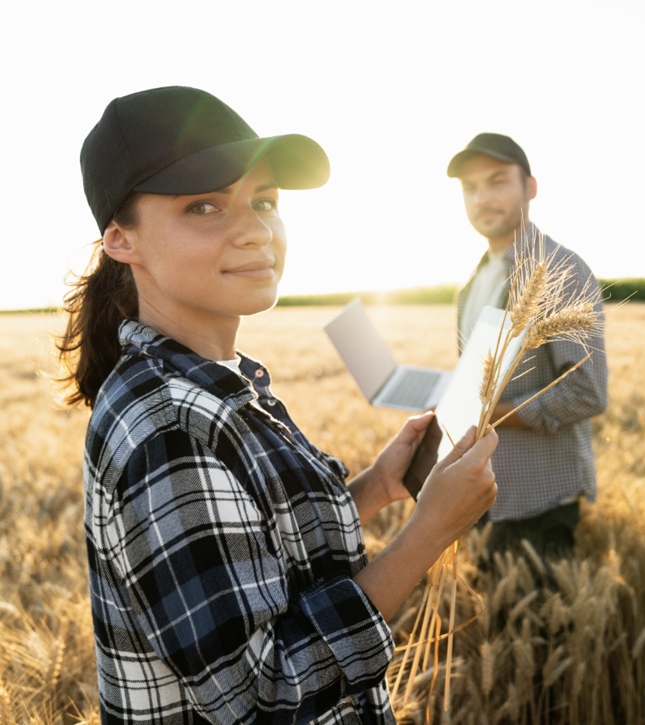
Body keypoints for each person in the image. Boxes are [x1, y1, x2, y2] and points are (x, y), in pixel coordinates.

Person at [58, 85, 498, 724]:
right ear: (121, 240)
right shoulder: (169, 423)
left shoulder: (215, 382)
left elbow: (260, 554)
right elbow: (264, 695)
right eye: (204, 206)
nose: (256, 230)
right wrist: (430, 531)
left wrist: (375, 487)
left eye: (263, 200)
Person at [446, 133, 608, 562]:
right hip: (482, 493)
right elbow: (478, 381)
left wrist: (491, 414)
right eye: (470, 187)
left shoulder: (560, 271)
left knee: (541, 629)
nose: (482, 197)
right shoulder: (472, 283)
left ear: (530, 187)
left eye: (497, 181)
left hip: (537, 498)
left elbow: (585, 391)